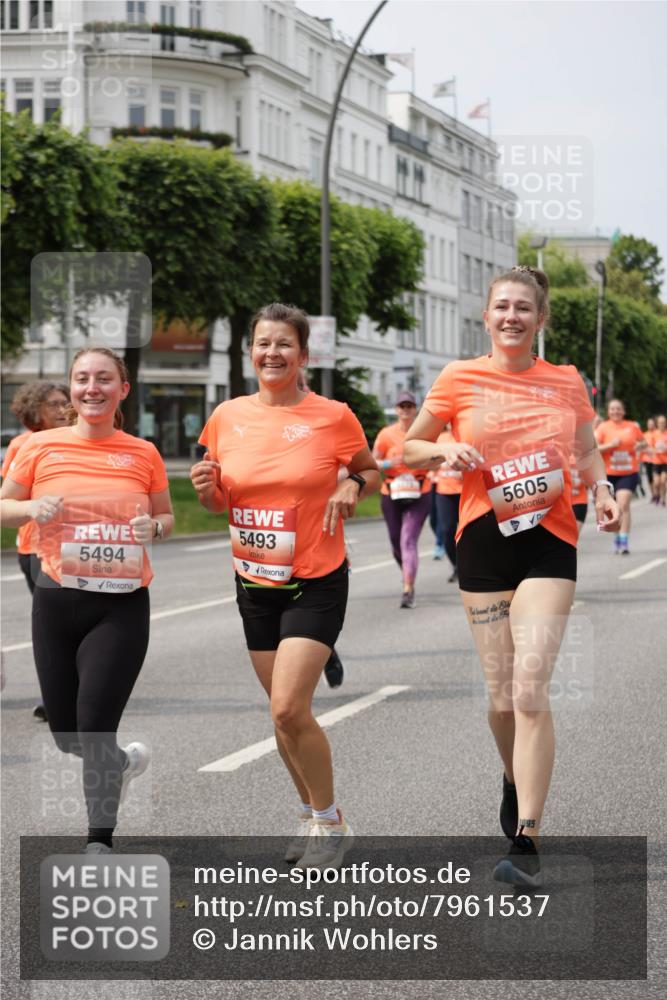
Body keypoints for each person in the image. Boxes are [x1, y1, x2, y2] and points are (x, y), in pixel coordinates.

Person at [403, 265, 619, 887]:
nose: (511, 317)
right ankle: (512, 771)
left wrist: (601, 488)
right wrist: (444, 450)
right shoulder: (458, 378)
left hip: (549, 542)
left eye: (524, 308)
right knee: (501, 698)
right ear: (487, 315)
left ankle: (527, 839)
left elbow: (585, 450)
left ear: (540, 319)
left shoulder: (565, 381)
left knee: (528, 690)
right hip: (483, 542)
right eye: (501, 306)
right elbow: (410, 449)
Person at [190, 303, 379, 870]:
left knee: (290, 707)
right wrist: (205, 490)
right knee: (279, 714)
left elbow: (370, 470)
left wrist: (352, 485)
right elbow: (222, 498)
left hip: (316, 577)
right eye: (262, 343)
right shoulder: (226, 417)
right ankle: (307, 812)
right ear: (251, 350)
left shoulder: (333, 415)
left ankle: (331, 821)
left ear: (303, 354)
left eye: (284, 345)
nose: (271, 353)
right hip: (254, 578)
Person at [0, 348, 173, 853]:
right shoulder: (41, 446)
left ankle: (100, 839)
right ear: (73, 389)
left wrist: (154, 527)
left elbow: (167, 517)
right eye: (82, 379)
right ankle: (118, 765)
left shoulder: (143, 453)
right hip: (55, 600)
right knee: (67, 735)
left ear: (123, 388)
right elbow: (4, 505)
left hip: (120, 604)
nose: (91, 388)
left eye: (103, 378)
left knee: (96, 725)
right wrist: (31, 506)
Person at [1, 381, 70, 721]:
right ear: (34, 411)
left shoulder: (78, 441)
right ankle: (55, 696)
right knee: (50, 626)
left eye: (63, 403)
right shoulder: (22, 445)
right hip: (33, 549)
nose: (61, 410)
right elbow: (8, 498)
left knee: (75, 620)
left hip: (73, 547)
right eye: (52, 404)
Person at [373, 391, 431, 608]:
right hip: (392, 491)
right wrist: (391, 463)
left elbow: (435, 458)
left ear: (415, 409)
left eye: (409, 406)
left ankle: (408, 589)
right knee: (396, 543)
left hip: (419, 490)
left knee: (408, 540)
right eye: (402, 406)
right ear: (396, 410)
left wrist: (422, 460)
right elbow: (372, 462)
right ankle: (407, 570)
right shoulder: (386, 434)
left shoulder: (425, 433)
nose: (405, 410)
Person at [594, 399, 647, 553]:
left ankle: (624, 541)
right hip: (608, 475)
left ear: (623, 411)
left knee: (623, 505)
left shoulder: (632, 427)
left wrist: (639, 445)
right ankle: (617, 537)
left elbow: (644, 443)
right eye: (612, 409)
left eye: (618, 409)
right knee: (612, 510)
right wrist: (610, 445)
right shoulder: (603, 428)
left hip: (628, 473)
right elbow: (594, 448)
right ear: (608, 412)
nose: (615, 412)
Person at [430, 426, 462, 582]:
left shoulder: (467, 433)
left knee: (468, 533)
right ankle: (456, 566)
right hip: (444, 491)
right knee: (447, 529)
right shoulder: (441, 438)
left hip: (466, 491)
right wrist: (433, 468)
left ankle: (469, 565)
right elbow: (431, 462)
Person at [652, 414, 667, 506]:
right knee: (657, 483)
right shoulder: (654, 434)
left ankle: (663, 498)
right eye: (660, 422)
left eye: (663, 422)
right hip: (656, 461)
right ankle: (656, 494)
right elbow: (650, 447)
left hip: (665, 461)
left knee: (663, 481)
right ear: (657, 423)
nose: (662, 424)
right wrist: (655, 449)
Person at [640, 418, 656, 502]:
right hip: (646, 459)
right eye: (649, 424)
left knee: (657, 478)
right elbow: (640, 447)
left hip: (657, 459)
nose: (651, 425)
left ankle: (658, 493)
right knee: (650, 478)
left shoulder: (658, 433)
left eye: (652, 424)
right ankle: (653, 495)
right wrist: (645, 451)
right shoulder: (644, 435)